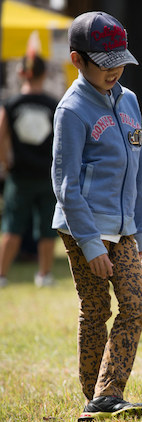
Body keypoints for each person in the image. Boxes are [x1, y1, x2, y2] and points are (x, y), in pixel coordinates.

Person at [52, 11, 142, 421]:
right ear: (77, 60)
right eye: (105, 64)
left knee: (137, 305)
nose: (116, 71)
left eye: (120, 61)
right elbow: (65, 184)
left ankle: (105, 394)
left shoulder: (129, 101)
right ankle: (98, 398)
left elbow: (139, 170)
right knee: (95, 309)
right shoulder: (71, 111)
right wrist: (91, 244)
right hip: (84, 229)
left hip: (125, 227)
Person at [0, 53, 58, 288]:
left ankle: (2, 275)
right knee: (47, 229)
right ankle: (44, 275)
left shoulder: (11, 103)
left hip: (19, 175)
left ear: (21, 72)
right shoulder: (53, 104)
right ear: (44, 74)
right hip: (46, 174)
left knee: (12, 226)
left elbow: (1, 135)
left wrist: (6, 163)